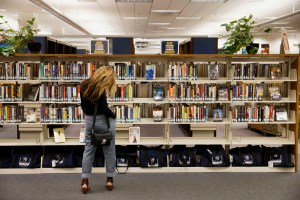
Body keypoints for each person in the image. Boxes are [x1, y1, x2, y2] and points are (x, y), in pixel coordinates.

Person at [80, 66, 117, 194]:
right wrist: (114, 115)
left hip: (89, 121)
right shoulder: (100, 89)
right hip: (102, 121)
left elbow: (83, 107)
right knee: (109, 149)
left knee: (88, 150)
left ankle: (85, 181)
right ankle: (109, 179)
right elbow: (104, 109)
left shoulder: (84, 84)